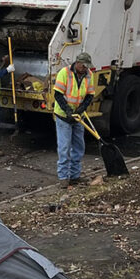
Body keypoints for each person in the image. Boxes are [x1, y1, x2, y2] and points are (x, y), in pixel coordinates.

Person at [52, 53, 95, 187]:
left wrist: (81, 109)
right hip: (63, 117)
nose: (85, 69)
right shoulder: (64, 73)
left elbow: (89, 95)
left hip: (78, 117)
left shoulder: (89, 75)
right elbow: (58, 94)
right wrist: (68, 110)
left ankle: (75, 176)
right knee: (64, 147)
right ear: (78, 63)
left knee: (78, 147)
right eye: (84, 66)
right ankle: (63, 178)